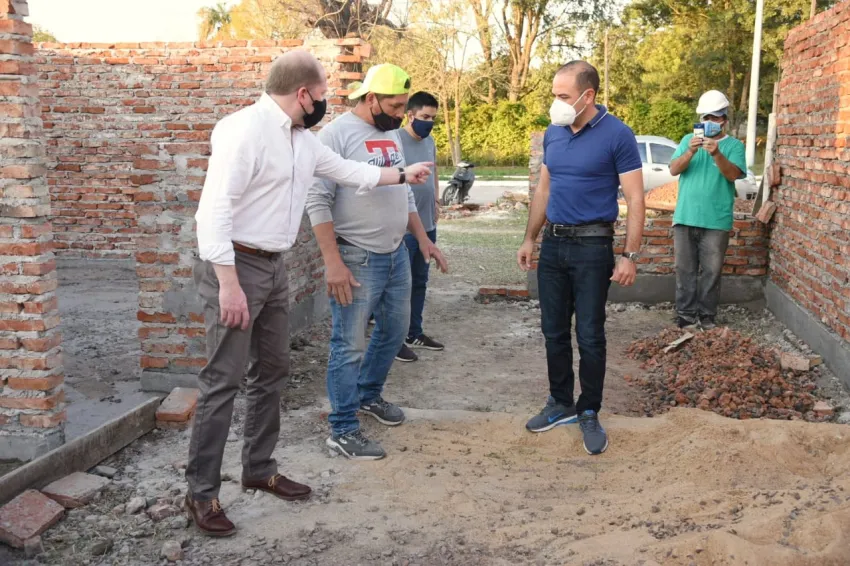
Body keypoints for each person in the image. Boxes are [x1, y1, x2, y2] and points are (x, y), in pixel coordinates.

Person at [188, 51, 435, 537]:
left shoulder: (302, 140)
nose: (326, 103)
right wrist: (229, 284)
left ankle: (259, 469)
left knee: (273, 371)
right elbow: (212, 212)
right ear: (303, 94)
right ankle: (201, 494)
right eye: (322, 94)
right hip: (234, 266)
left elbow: (350, 172)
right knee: (222, 382)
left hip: (272, 265)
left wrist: (404, 175)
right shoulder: (243, 131)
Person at [306, 64, 449, 461]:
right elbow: (317, 199)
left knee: (396, 330)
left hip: (396, 253)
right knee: (348, 344)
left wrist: (422, 239)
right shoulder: (336, 134)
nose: (402, 114)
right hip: (357, 256)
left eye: (404, 106)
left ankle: (369, 395)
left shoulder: (390, 134)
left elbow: (403, 193)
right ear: (371, 99)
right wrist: (333, 261)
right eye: (396, 106)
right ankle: (342, 428)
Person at [517, 61, 645, 456]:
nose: (556, 103)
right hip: (554, 245)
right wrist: (530, 238)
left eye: (563, 96)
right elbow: (544, 189)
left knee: (589, 334)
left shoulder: (617, 134)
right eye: (554, 95)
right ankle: (560, 403)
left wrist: (629, 255)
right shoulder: (554, 133)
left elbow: (635, 198)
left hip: (593, 247)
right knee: (553, 330)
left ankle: (588, 409)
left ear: (587, 96)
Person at [668, 90, 746, 331]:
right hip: (685, 216)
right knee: (685, 270)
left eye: (715, 117)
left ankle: (707, 316)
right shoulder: (687, 141)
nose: (710, 122)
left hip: (716, 220)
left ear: (724, 120)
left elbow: (733, 175)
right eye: (706, 117)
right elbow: (673, 169)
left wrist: (716, 153)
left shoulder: (734, 146)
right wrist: (690, 151)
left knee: (712, 272)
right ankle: (686, 315)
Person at [394, 91, 444, 363]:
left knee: (420, 281)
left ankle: (414, 332)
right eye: (425, 116)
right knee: (400, 285)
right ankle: (395, 340)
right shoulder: (395, 140)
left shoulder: (430, 141)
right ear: (410, 115)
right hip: (404, 227)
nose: (429, 123)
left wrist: (436, 199)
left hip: (427, 223)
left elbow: (433, 174)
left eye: (433, 118)